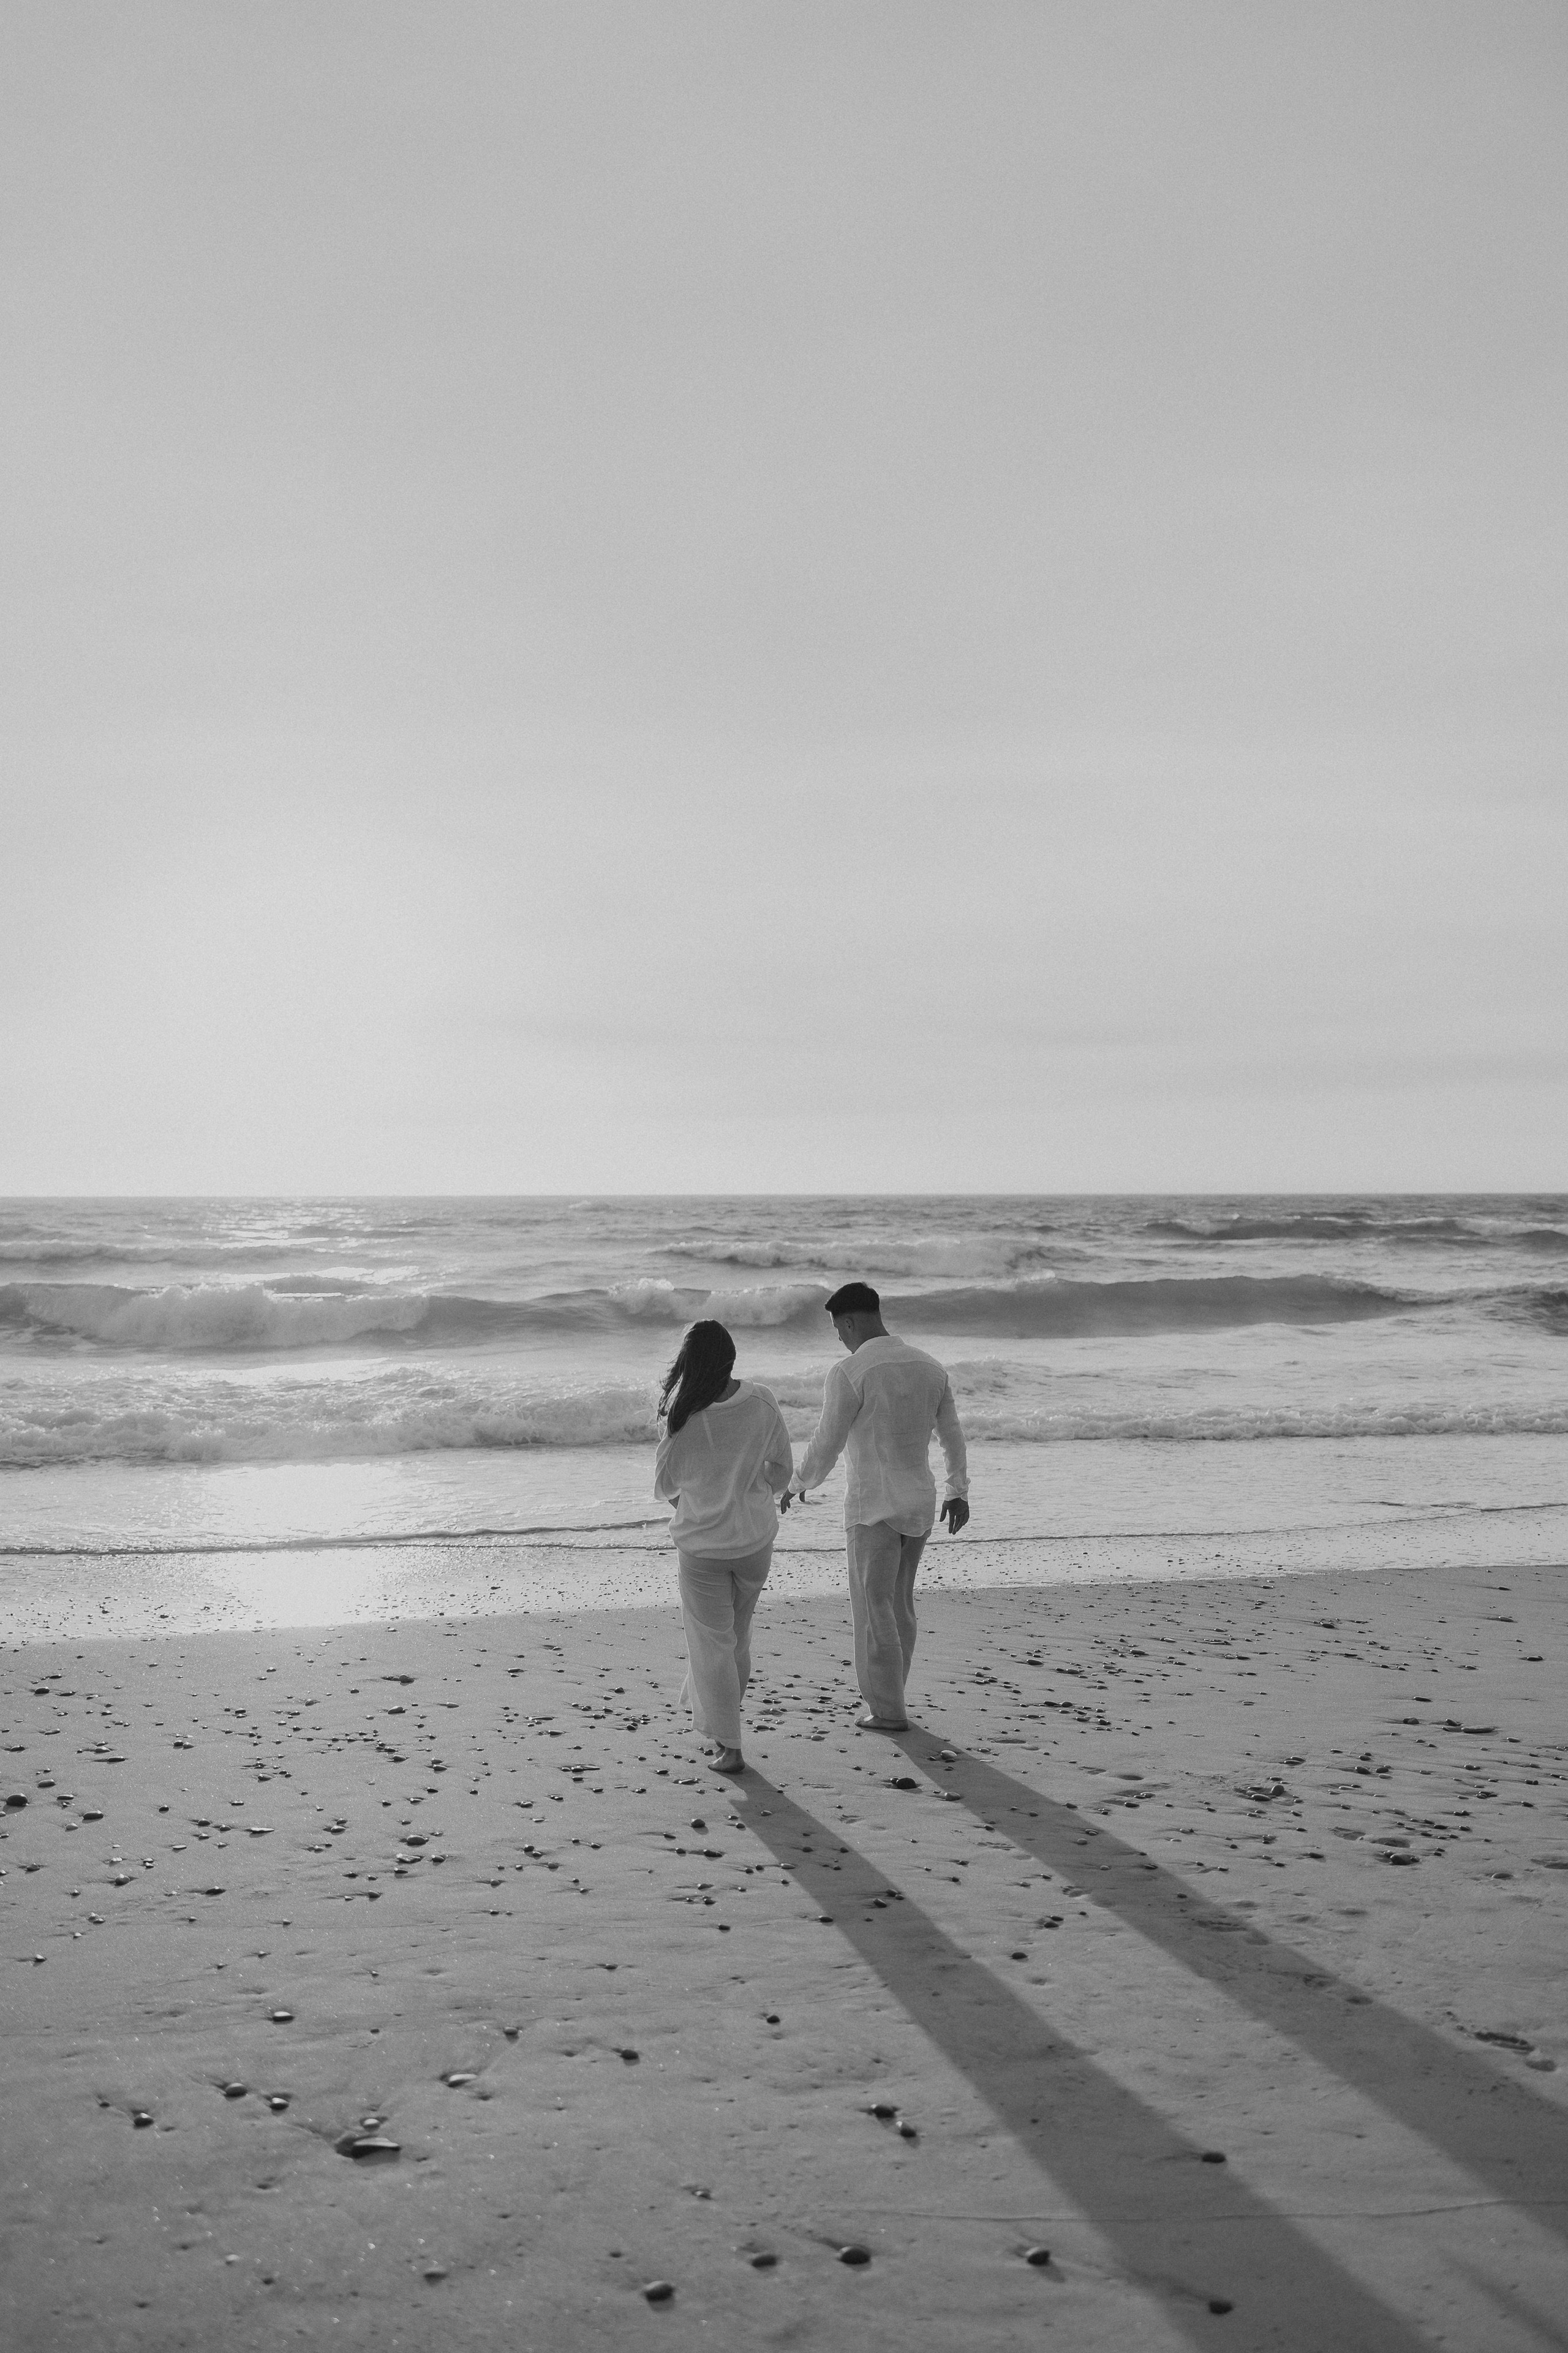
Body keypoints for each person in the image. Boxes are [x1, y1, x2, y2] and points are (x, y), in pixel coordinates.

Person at [782, 1281, 968, 1731]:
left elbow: (827, 1442)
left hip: (872, 1506)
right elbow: (953, 1435)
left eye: (838, 1330)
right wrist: (957, 1490)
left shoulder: (850, 1371)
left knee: (874, 1605)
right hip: (920, 1504)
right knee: (900, 1602)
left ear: (849, 1321)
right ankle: (893, 1696)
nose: (840, 1339)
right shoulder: (930, 1366)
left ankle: (888, 1710)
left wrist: (797, 1482)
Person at [654, 1319, 794, 1775]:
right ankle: (719, 1720)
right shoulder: (762, 1401)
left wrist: (702, 1500)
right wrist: (753, 1487)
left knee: (712, 1642)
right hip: (754, 1540)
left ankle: (729, 1746)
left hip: (703, 1548)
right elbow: (781, 1470)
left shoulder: (682, 1417)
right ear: (732, 1357)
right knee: (736, 1636)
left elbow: (666, 1488)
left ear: (688, 1365)